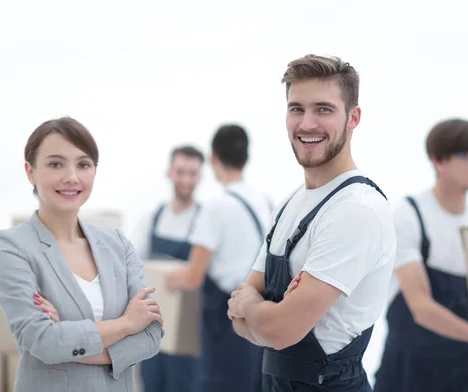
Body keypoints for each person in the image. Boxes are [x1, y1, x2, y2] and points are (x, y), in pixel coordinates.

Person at [226, 54, 397, 391]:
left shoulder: (355, 211)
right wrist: (265, 315)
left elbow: (279, 331)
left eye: (323, 109)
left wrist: (256, 309)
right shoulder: (290, 203)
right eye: (296, 109)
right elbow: (239, 321)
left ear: (353, 117)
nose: (307, 124)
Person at [0, 117, 164, 392]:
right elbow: (44, 341)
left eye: (83, 164)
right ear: (30, 172)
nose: (71, 176)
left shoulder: (118, 244)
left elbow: (152, 335)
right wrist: (127, 323)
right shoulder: (10, 247)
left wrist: (72, 343)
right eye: (55, 164)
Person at [372, 118, 468, 392]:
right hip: (408, 373)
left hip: (464, 373)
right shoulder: (409, 216)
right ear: (438, 161)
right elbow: (420, 307)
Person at [165, 124, 271, 392]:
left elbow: (193, 276)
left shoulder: (215, 207)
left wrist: (168, 278)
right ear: (246, 157)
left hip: (225, 323)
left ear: (212, 159)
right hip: (259, 315)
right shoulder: (265, 201)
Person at [133, 145, 205, 392]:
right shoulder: (152, 219)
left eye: (192, 173)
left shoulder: (205, 223)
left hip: (188, 337)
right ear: (169, 173)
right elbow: (131, 268)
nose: (186, 179)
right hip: (152, 333)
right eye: (181, 172)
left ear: (200, 177)